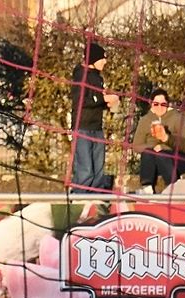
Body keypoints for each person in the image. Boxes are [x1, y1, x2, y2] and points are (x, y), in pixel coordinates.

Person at [70, 41, 119, 193]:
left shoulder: (98, 78)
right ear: (93, 59)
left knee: (98, 170)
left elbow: (95, 100)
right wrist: (103, 100)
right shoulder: (80, 76)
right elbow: (81, 101)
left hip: (96, 127)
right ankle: (78, 201)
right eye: (102, 58)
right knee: (86, 170)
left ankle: (95, 201)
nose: (105, 61)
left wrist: (108, 103)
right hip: (83, 128)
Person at [130, 88, 185, 194]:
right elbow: (136, 145)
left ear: (167, 105)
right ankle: (147, 186)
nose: (159, 107)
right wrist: (153, 147)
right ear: (151, 104)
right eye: (156, 104)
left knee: (162, 154)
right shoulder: (145, 120)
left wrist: (165, 143)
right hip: (154, 158)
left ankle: (172, 185)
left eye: (163, 104)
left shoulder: (178, 118)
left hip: (177, 157)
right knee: (148, 153)